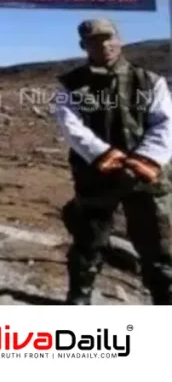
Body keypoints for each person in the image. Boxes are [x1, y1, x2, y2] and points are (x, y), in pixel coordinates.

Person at [52, 18, 172, 304]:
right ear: (84, 45)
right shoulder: (71, 85)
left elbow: (164, 123)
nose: (103, 45)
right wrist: (104, 155)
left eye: (108, 38)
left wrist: (147, 159)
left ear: (119, 40)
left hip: (146, 177)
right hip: (97, 174)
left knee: (158, 245)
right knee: (88, 240)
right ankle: (79, 298)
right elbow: (71, 125)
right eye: (94, 40)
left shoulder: (150, 81)